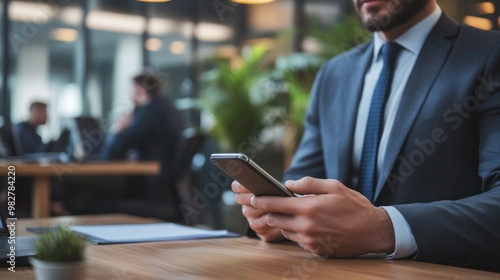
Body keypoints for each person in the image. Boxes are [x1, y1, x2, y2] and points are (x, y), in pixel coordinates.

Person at [232, 0, 500, 272]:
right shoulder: (334, 74)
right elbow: (302, 180)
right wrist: (278, 215)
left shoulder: (490, 54)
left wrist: (382, 227)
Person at [100, 73, 186, 220]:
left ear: (139, 90)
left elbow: (111, 154)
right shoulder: (168, 108)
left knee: (95, 200)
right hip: (167, 193)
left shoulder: (149, 112)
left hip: (152, 191)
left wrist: (118, 130)